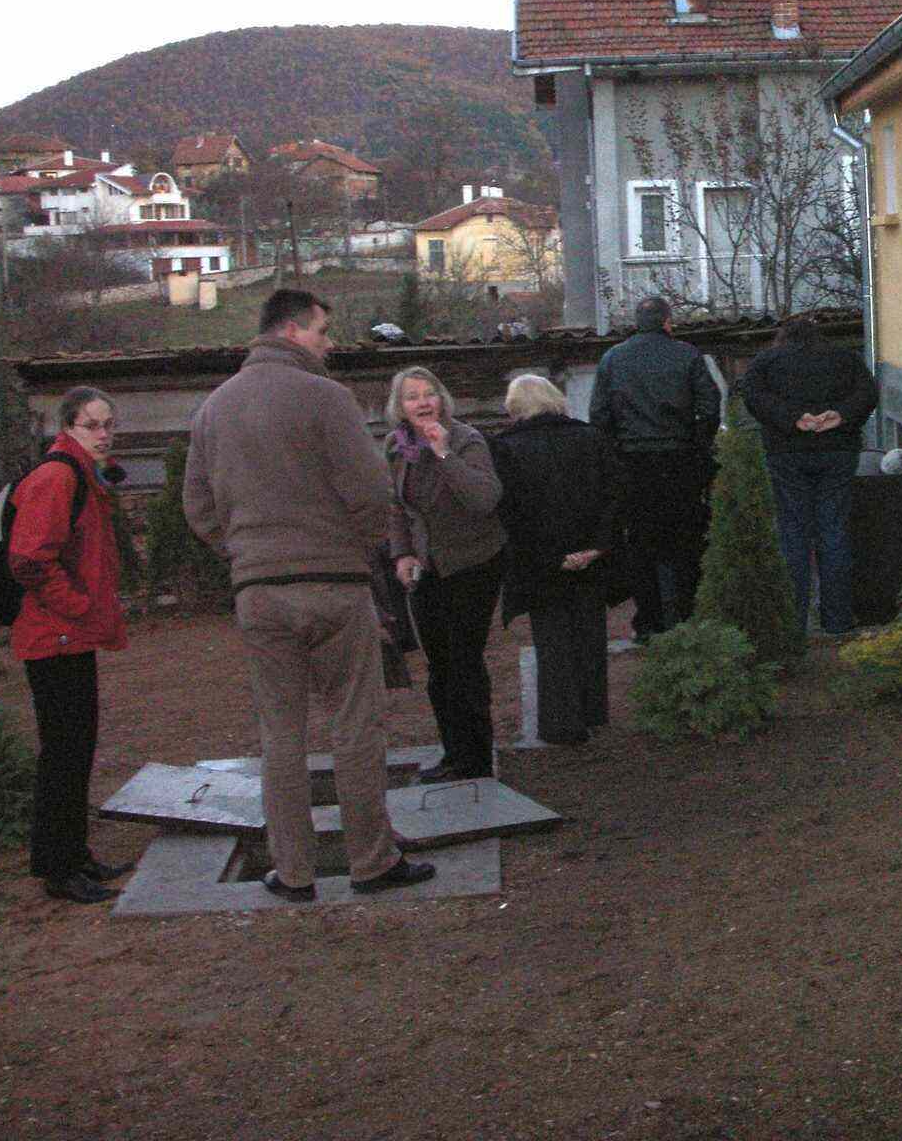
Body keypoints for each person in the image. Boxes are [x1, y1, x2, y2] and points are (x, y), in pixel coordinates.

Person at [184, 290, 434, 900]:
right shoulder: (326, 397)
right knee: (355, 724)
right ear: (293, 330)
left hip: (258, 591)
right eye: (323, 330)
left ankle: (293, 872)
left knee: (280, 735)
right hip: (334, 586)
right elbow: (371, 492)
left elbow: (198, 507)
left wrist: (244, 552)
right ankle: (371, 861)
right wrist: (351, 548)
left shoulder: (213, 408)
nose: (330, 342)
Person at [9, 387, 131, 904]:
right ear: (69, 427)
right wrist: (78, 606)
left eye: (109, 424)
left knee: (75, 749)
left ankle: (72, 855)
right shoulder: (58, 477)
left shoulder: (82, 475)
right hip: (53, 636)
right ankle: (60, 869)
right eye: (92, 425)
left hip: (68, 634)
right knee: (64, 752)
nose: (103, 434)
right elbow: (29, 560)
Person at [489, 375, 627, 745]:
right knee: (590, 633)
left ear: (514, 407)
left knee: (553, 640)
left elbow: (511, 514)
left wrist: (551, 557)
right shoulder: (591, 438)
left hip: (541, 562)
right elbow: (614, 495)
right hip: (590, 554)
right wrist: (597, 547)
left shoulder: (505, 448)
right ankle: (592, 710)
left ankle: (562, 722)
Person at [385, 366, 506, 783]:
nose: (422, 402)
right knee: (439, 665)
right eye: (412, 396)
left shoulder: (466, 440)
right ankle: (454, 753)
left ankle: (477, 759)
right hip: (428, 567)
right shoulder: (397, 446)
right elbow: (396, 506)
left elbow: (484, 499)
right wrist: (402, 553)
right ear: (400, 407)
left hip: (473, 562)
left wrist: (443, 454)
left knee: (464, 659)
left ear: (442, 399)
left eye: (429, 394)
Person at [588, 297, 720, 640]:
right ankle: (686, 617)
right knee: (685, 542)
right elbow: (709, 406)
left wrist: (615, 454)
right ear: (667, 322)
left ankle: (649, 622)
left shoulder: (613, 358)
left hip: (633, 463)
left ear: (637, 323)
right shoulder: (687, 354)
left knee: (641, 544)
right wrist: (697, 445)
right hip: (680, 461)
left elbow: (599, 415)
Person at [738, 315, 879, 636]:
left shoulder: (767, 361)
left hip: (786, 453)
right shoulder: (844, 358)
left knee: (793, 535)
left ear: (783, 337)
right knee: (834, 532)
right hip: (838, 451)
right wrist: (840, 415)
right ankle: (837, 620)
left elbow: (752, 394)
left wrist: (792, 418)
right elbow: (868, 393)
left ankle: (793, 622)